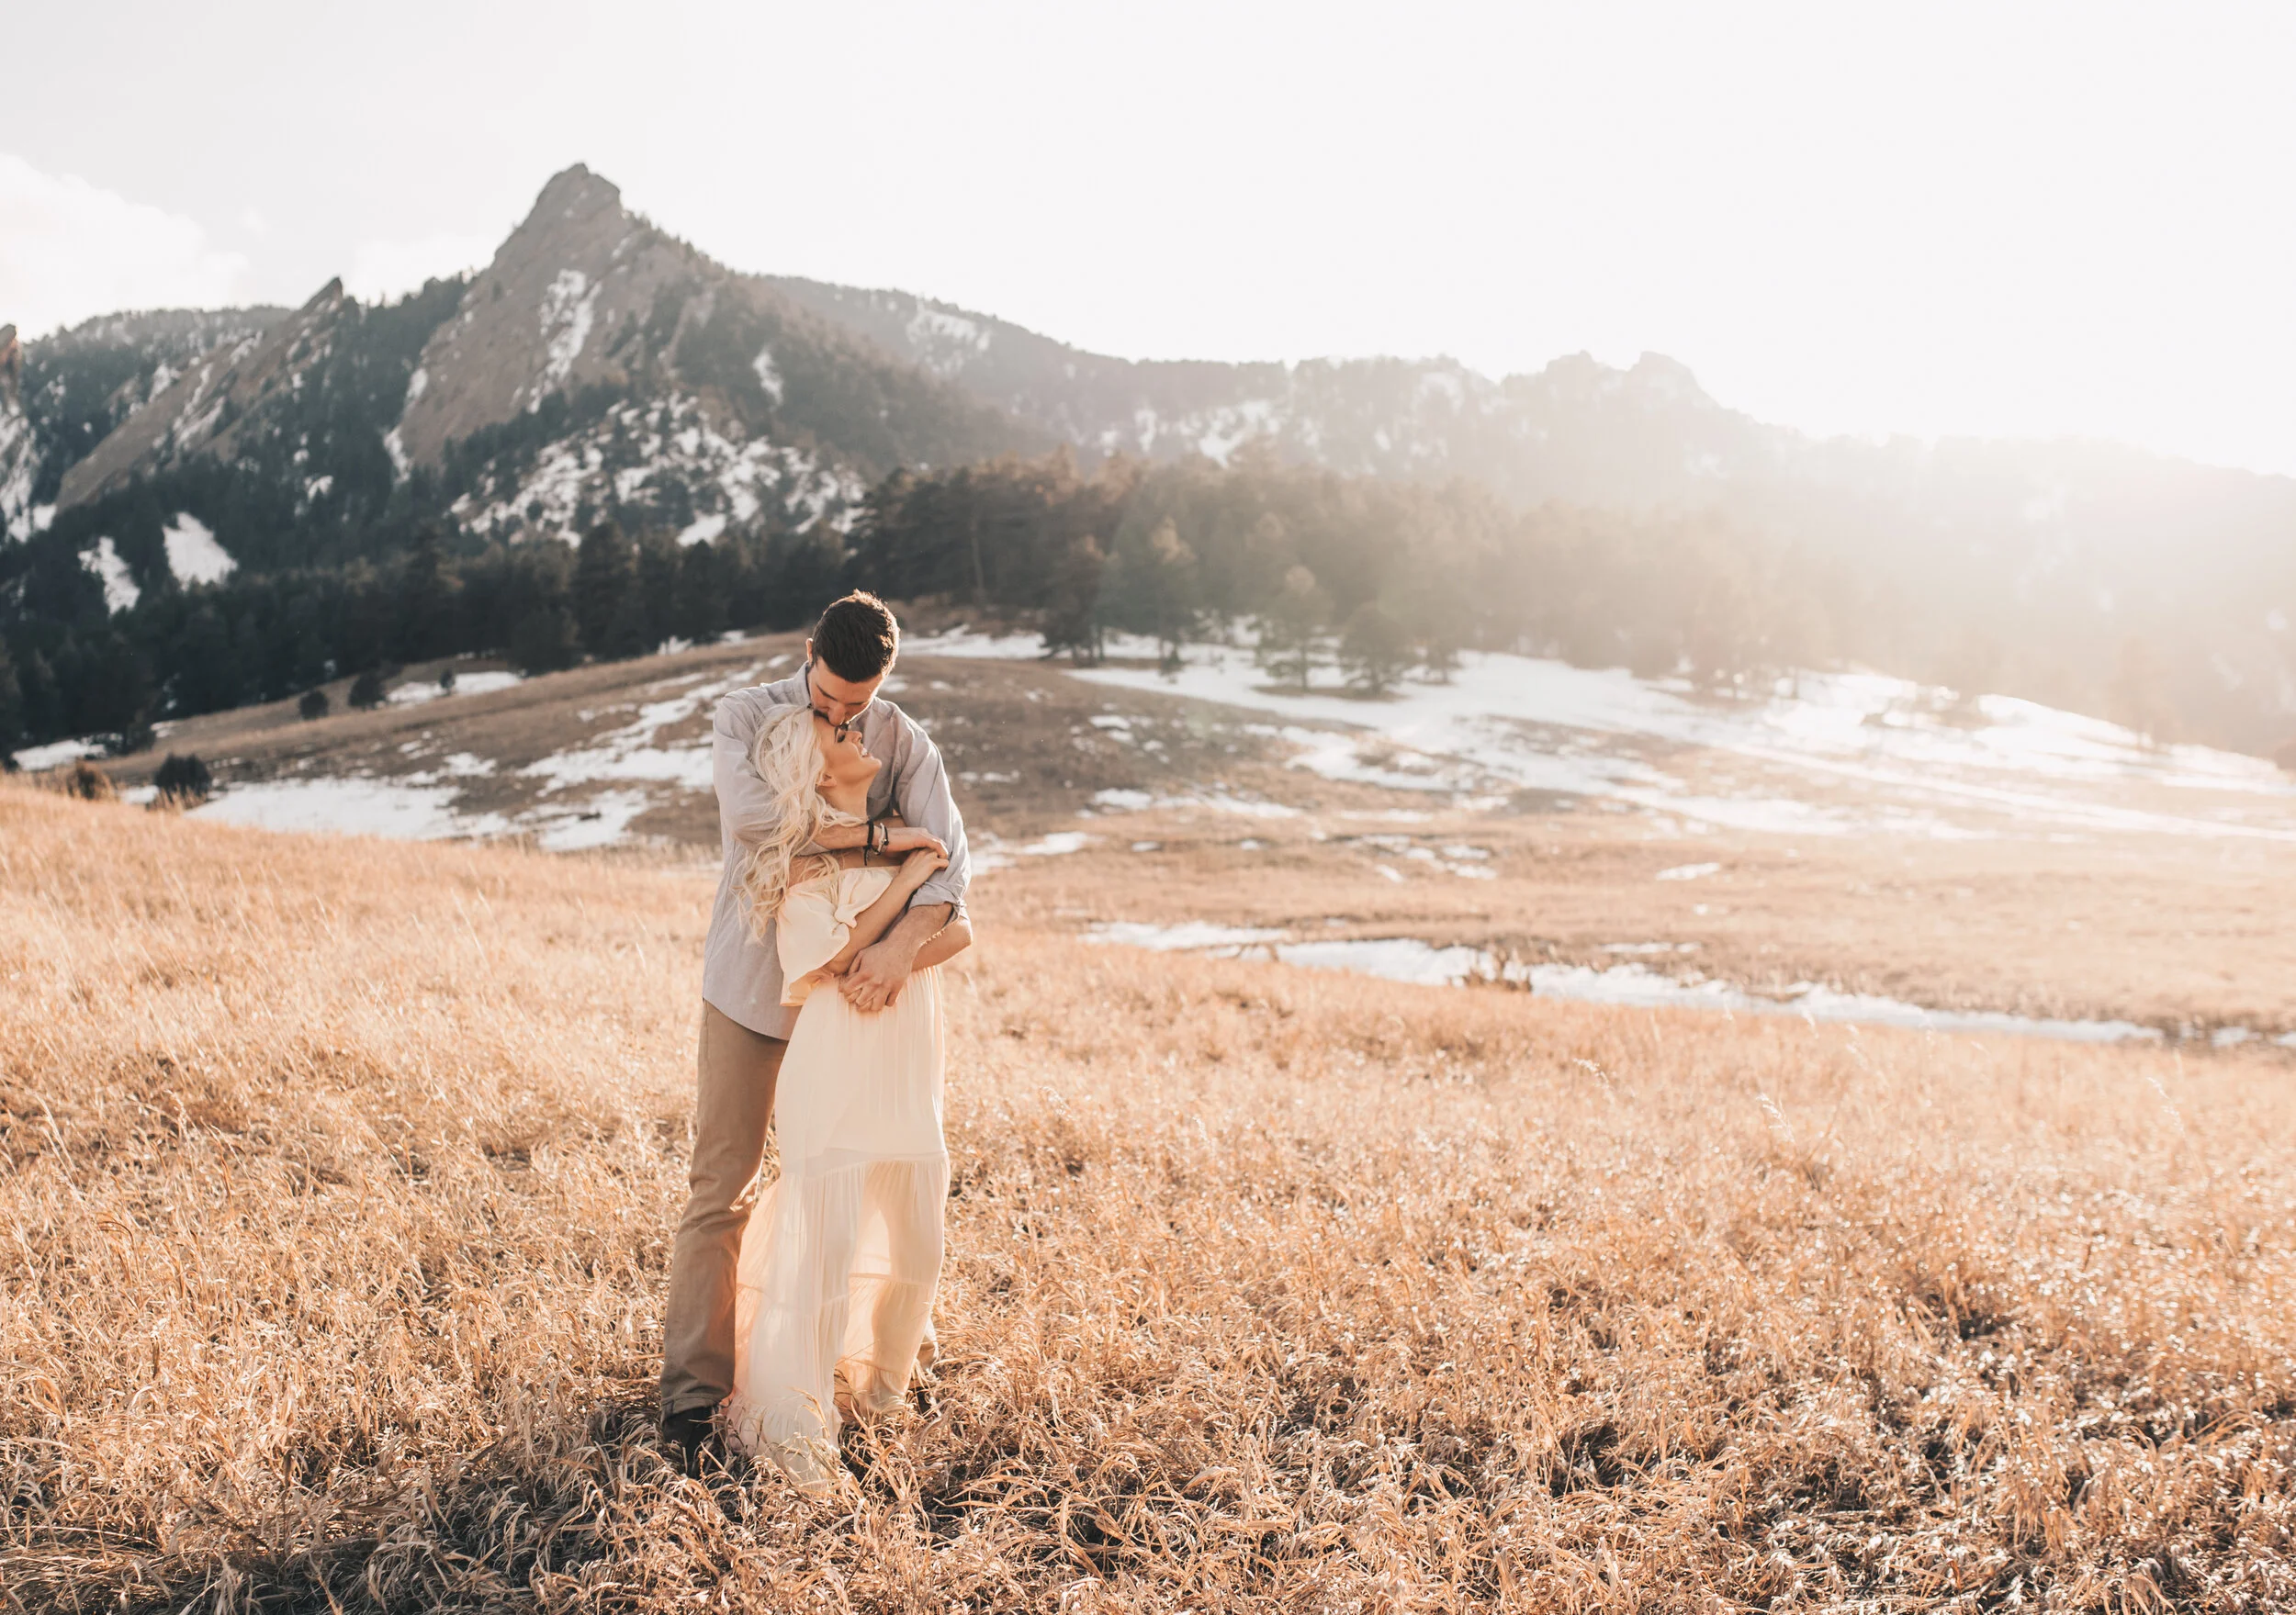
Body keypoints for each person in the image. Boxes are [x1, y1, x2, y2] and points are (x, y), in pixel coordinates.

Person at [659, 591, 972, 1473]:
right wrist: (884, 835)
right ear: (807, 655)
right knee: (723, 1185)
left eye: (859, 703)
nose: (842, 716)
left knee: (853, 1185)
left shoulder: (903, 740)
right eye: (831, 698)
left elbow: (952, 861)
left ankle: (851, 1366)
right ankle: (690, 1397)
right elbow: (763, 824)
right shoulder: (744, 717)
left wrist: (905, 946)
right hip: (753, 989)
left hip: (851, 1008)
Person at [724, 704, 969, 1490]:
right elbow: (837, 949)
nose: (859, 733)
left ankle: (883, 1399)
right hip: (835, 1067)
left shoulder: (905, 819)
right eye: (839, 734)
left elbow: (962, 934)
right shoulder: (798, 863)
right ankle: (802, 1426)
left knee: (918, 1249)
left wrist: (902, 951)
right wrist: (906, 878)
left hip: (906, 1063)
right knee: (823, 1257)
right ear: (815, 769)